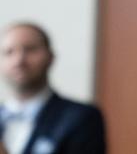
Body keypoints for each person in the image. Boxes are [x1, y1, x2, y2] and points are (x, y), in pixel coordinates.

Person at [1, 23, 105, 154]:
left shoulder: (81, 118)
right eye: (8, 52)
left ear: (50, 57)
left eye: (30, 49)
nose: (19, 60)